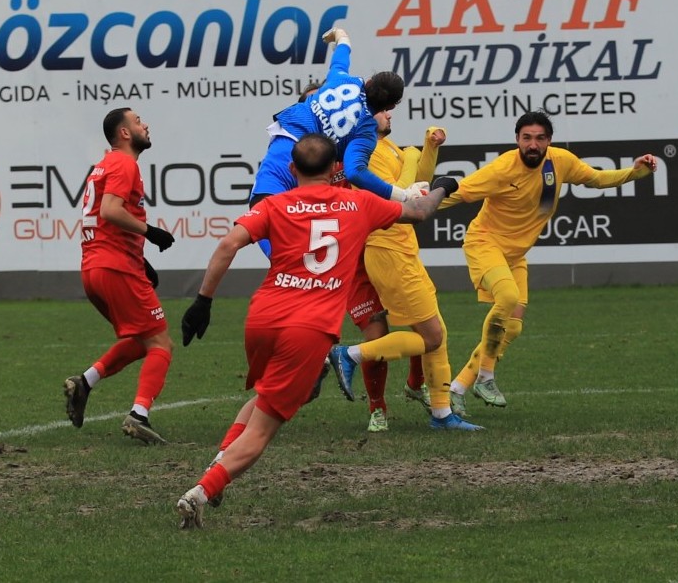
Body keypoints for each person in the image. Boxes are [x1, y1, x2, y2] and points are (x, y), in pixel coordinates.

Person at [173, 132, 457, 529]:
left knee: (267, 396)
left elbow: (227, 245)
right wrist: (445, 185)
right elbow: (420, 211)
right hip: (308, 328)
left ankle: (218, 469)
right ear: (335, 169)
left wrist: (203, 301)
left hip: (263, 318)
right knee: (264, 428)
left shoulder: (274, 203)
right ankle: (201, 491)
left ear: (292, 170)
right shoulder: (358, 202)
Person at [442, 111, 659, 416]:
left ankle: (457, 388)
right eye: (527, 138)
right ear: (517, 139)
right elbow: (457, 193)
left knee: (513, 328)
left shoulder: (560, 162)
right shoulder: (503, 168)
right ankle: (486, 377)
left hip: (515, 255)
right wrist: (404, 208)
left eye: (540, 138)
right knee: (507, 298)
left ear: (549, 141)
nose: (533, 144)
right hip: (484, 243)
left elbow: (596, 179)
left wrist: (635, 172)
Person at [326, 112, 483, 432]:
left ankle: (440, 413)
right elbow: (394, 196)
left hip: (403, 249)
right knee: (432, 335)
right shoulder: (363, 151)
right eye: (383, 109)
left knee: (436, 331)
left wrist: (427, 148)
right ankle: (350, 356)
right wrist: (412, 158)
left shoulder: (391, 148)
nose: (389, 113)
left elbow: (415, 182)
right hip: (386, 250)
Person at [247, 26, 413, 256]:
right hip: (317, 172)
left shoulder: (344, 81)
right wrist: (401, 195)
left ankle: (285, 267)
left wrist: (341, 35)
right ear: (391, 106)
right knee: (306, 227)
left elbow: (340, 57)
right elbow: (356, 171)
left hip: (290, 143)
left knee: (261, 208)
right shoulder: (366, 132)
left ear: (369, 81)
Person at [64, 107, 178, 445]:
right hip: (114, 267)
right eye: (139, 121)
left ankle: (84, 383)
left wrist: (140, 258)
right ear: (125, 133)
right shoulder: (124, 163)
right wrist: (152, 232)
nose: (146, 124)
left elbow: (105, 218)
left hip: (95, 269)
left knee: (143, 340)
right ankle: (138, 415)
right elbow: (111, 211)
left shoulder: (106, 164)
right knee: (161, 344)